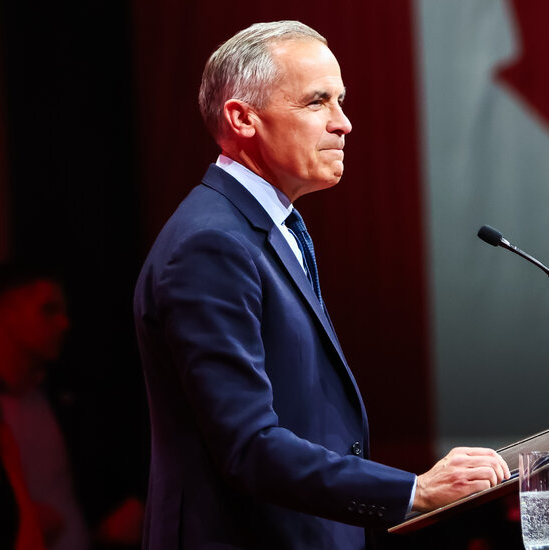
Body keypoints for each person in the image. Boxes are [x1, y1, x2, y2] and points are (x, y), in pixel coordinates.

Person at [133, 21, 510, 550]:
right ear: (242, 118)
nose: (344, 123)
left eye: (341, 100)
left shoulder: (267, 228)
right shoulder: (210, 245)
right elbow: (248, 447)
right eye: (317, 102)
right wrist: (415, 491)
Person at [0, 262, 144, 550]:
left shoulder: (70, 395)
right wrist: (14, 516)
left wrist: (129, 505)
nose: (64, 323)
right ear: (7, 313)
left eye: (63, 311)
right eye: (48, 310)